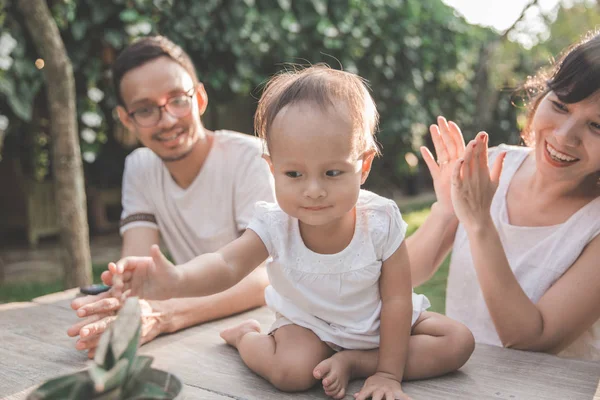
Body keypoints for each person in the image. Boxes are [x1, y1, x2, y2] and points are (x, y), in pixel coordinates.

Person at [107, 65, 475, 400]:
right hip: (309, 326)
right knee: (290, 373)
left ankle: (356, 362)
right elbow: (225, 264)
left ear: (362, 166)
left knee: (458, 342)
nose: (313, 190)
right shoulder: (274, 223)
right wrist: (175, 281)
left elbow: (397, 301)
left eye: (332, 173)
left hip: (378, 323)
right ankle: (246, 338)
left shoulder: (381, 219)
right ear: (272, 169)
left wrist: (387, 374)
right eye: (293, 174)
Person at [67, 36, 275, 358]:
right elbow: (137, 265)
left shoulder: (250, 158)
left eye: (178, 99)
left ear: (200, 98)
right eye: (146, 109)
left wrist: (163, 316)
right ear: (126, 119)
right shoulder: (140, 166)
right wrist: (120, 302)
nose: (167, 120)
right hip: (205, 335)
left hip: (268, 332)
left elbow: (263, 279)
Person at [409, 29, 600, 361]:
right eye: (560, 105)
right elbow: (405, 274)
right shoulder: (495, 165)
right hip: (453, 378)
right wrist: (446, 209)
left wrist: (480, 223)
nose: (564, 136)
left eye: (597, 126)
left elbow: (532, 338)